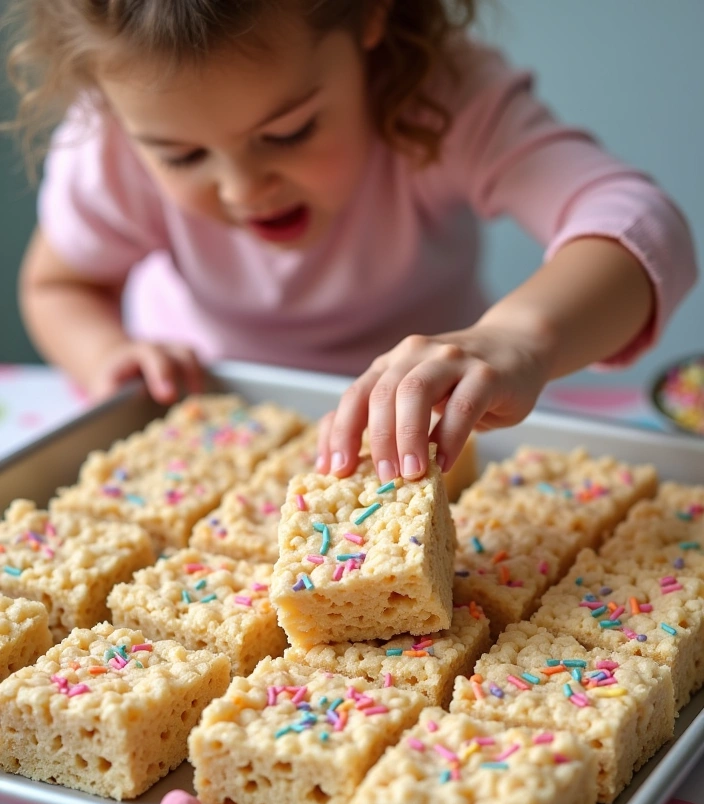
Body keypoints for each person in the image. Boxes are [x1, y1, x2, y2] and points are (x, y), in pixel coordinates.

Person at [3, 0, 697, 484]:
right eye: (183, 158)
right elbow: (61, 284)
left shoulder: (440, 102)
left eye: (289, 133)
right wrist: (107, 355)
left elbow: (639, 223)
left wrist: (517, 338)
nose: (243, 189)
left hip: (428, 436)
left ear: (373, 15)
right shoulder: (112, 149)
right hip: (200, 429)